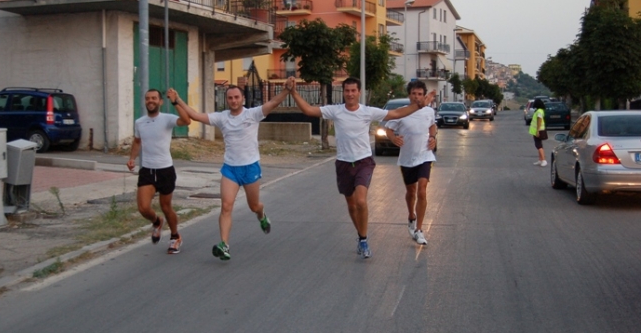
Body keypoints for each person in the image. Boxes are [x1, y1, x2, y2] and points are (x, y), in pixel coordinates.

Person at [287, 76, 435, 258]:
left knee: (361, 201)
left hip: (364, 161)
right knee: (351, 204)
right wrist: (293, 92)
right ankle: (361, 236)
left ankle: (364, 240)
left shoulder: (367, 111)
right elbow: (309, 110)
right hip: (343, 162)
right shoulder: (336, 111)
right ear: (344, 93)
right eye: (347, 91)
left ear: (359, 92)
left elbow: (396, 114)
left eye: (353, 91)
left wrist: (420, 105)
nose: (350, 94)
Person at [176, 83, 292, 261]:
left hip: (250, 167)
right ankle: (224, 245)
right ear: (227, 100)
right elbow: (196, 116)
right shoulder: (222, 118)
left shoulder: (252, 114)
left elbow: (274, 102)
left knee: (254, 206)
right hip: (230, 168)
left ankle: (262, 215)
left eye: (236, 97)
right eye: (230, 98)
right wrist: (178, 100)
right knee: (226, 206)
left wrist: (287, 89)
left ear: (242, 99)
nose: (233, 100)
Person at [127, 88, 191, 254]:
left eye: (154, 98)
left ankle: (175, 236)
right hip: (147, 170)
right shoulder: (140, 122)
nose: (150, 101)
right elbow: (137, 141)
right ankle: (157, 222)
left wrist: (175, 101)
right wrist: (132, 158)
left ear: (160, 101)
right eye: (148, 98)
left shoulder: (167, 119)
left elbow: (186, 121)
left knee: (166, 207)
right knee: (143, 208)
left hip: (165, 170)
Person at [385, 80, 437, 246]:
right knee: (411, 192)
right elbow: (389, 129)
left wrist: (433, 137)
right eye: (414, 94)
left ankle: (419, 230)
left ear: (423, 96)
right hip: (407, 158)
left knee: (422, 190)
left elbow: (432, 126)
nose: (417, 97)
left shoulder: (429, 111)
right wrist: (393, 138)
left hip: (425, 156)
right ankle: (411, 216)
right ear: (409, 95)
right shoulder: (401, 112)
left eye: (420, 94)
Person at [529, 98, 547, 167]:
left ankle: (543, 160)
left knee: (538, 145)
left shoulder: (539, 111)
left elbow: (539, 121)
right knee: (539, 144)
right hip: (538, 130)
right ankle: (540, 159)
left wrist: (537, 130)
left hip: (539, 130)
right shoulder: (539, 110)